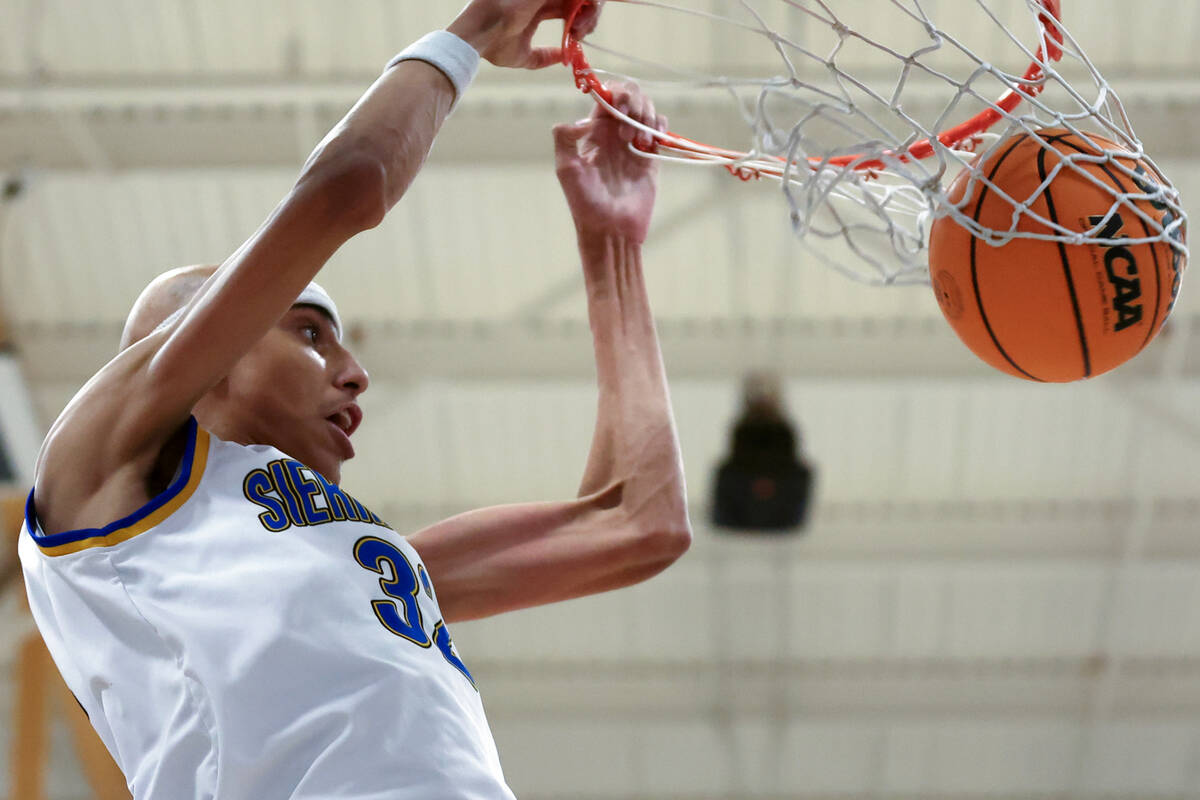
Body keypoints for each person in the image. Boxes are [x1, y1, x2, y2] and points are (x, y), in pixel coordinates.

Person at [17, 1, 691, 797]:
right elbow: (346, 188)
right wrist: (480, 29)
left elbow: (635, 523)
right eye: (310, 334)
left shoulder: (366, 567)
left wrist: (610, 242)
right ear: (210, 346)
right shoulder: (99, 478)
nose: (354, 373)